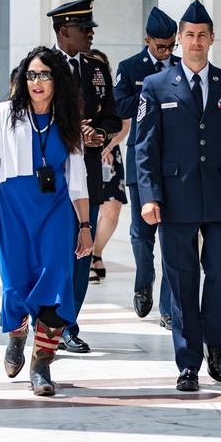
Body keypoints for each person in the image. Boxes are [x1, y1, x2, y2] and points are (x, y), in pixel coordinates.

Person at [135, 0, 221, 392]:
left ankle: (215, 347)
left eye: (201, 35)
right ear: (180, 40)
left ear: (212, 39)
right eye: (188, 35)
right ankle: (189, 362)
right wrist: (149, 195)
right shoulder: (156, 86)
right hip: (174, 199)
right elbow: (145, 147)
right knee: (182, 280)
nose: (195, 42)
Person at [0, 47, 94, 397]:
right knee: (15, 286)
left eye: (44, 74)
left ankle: (41, 364)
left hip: (55, 209)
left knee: (57, 283)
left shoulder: (67, 118)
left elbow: (78, 177)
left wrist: (85, 227)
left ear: (57, 79)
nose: (36, 82)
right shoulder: (3, 113)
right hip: (13, 208)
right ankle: (16, 335)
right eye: (31, 75)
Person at [46, 0, 121, 353]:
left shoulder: (96, 68)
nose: (90, 34)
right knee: (51, 252)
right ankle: (46, 322)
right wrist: (73, 130)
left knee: (81, 249)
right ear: (64, 31)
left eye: (90, 29)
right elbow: (29, 118)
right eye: (83, 29)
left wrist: (100, 136)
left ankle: (69, 325)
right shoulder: (40, 67)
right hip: (52, 176)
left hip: (87, 175)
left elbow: (111, 117)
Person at [113, 7, 181, 328]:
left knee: (173, 235)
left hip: (176, 162)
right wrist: (154, 90)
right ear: (147, 41)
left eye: (171, 46)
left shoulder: (183, 68)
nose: (167, 52)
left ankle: (168, 308)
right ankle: (144, 279)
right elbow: (120, 105)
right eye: (161, 46)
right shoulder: (129, 68)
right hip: (142, 159)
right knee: (142, 235)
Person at [83, 48, 129, 285]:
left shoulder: (113, 91)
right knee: (87, 210)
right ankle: (88, 257)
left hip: (110, 152)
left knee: (112, 211)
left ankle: (96, 252)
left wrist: (108, 147)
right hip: (85, 155)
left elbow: (124, 124)